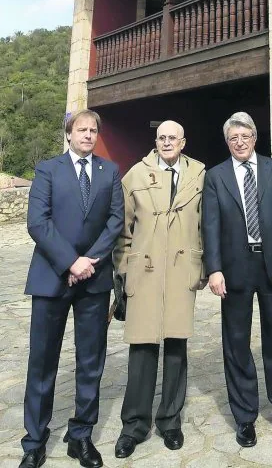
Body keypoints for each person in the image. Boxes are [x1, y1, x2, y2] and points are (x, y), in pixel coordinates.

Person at [20, 109, 124, 468]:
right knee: (43, 362)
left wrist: (90, 261)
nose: (88, 135)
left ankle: (81, 436)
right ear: (68, 134)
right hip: (52, 278)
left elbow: (115, 221)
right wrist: (70, 261)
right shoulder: (49, 170)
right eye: (81, 129)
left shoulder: (109, 171)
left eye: (93, 130)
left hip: (94, 281)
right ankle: (34, 440)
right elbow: (38, 222)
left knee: (91, 362)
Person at [202, 112, 272, 448]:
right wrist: (213, 269)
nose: (240, 143)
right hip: (234, 268)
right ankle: (245, 417)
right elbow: (209, 226)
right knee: (237, 342)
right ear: (227, 142)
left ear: (254, 138)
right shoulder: (215, 177)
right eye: (233, 138)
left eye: (245, 136)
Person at [113, 120, 205, 459]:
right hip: (146, 270)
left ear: (183, 142)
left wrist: (204, 266)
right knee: (142, 348)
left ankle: (170, 421)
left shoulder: (199, 174)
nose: (167, 143)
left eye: (173, 138)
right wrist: (125, 267)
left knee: (177, 346)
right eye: (162, 138)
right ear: (156, 141)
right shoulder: (135, 174)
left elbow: (204, 222)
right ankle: (134, 426)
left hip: (182, 269)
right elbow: (121, 228)